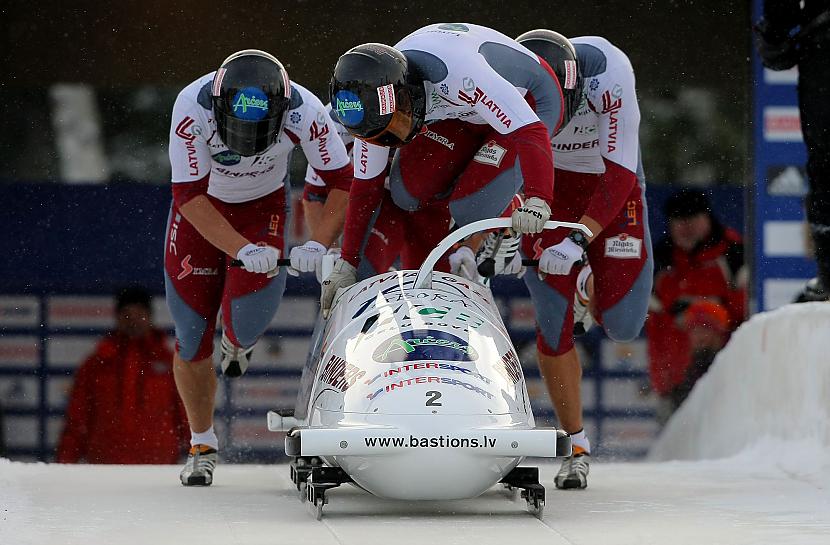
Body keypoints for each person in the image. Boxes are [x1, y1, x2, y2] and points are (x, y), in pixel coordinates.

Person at [165, 49, 352, 485]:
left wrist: (318, 241)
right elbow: (187, 195)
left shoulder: (305, 111)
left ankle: (238, 340)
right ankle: (202, 442)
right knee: (191, 336)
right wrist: (241, 248)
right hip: (201, 210)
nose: (247, 143)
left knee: (245, 320)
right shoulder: (190, 107)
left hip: (263, 207)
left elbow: (343, 180)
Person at [320, 22, 583, 317]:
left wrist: (538, 199)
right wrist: (347, 263)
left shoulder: (462, 74)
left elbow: (530, 130)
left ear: (405, 95)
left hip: (527, 101)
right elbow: (366, 187)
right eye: (378, 133)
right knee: (406, 193)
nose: (389, 139)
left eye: (396, 122)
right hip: (459, 109)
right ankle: (482, 185)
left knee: (472, 209)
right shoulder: (377, 112)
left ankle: (508, 207)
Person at [494, 31, 652, 490]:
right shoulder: (502, 81)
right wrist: (503, 224)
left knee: (623, 325)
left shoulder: (611, 74)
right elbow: (494, 164)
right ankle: (577, 443)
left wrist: (579, 239)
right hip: (548, 189)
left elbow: (620, 172)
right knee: (552, 322)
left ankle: (589, 285)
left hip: (609, 187)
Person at [647, 189, 746, 423]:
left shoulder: (735, 253)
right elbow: (656, 330)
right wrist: (664, 384)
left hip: (729, 375)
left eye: (692, 219)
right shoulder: (660, 261)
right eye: (678, 220)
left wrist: (712, 313)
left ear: (707, 218)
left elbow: (747, 312)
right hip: (678, 379)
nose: (685, 226)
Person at [56, 287, 187, 464]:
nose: (133, 320)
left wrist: (204, 456)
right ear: (117, 318)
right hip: (106, 469)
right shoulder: (97, 363)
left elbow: (188, 415)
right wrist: (64, 463)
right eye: (127, 314)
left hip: (158, 469)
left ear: (150, 317)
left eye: (139, 313)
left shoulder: (169, 363)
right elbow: (77, 418)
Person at [755, 1, 830, 301]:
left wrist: (776, 34)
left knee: (826, 166)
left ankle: (829, 275)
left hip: (824, 48)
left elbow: (778, 38)